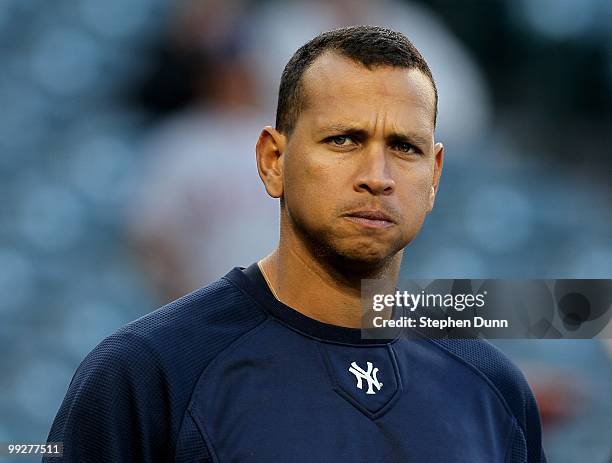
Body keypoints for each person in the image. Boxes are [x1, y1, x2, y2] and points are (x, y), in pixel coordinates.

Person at [44, 26, 547, 462]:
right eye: (343, 140)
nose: (377, 176)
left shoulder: (491, 385)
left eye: (403, 147)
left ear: (433, 176)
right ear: (273, 161)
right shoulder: (148, 373)